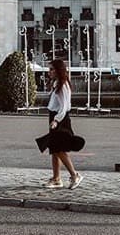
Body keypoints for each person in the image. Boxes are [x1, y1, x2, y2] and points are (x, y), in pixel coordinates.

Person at [36, 58, 84, 189]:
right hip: (55, 117)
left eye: (51, 69)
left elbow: (64, 106)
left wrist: (56, 120)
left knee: (60, 149)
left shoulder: (63, 85)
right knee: (54, 149)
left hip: (60, 119)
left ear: (58, 70)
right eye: (49, 69)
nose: (49, 72)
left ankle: (74, 175)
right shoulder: (57, 83)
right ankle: (56, 178)